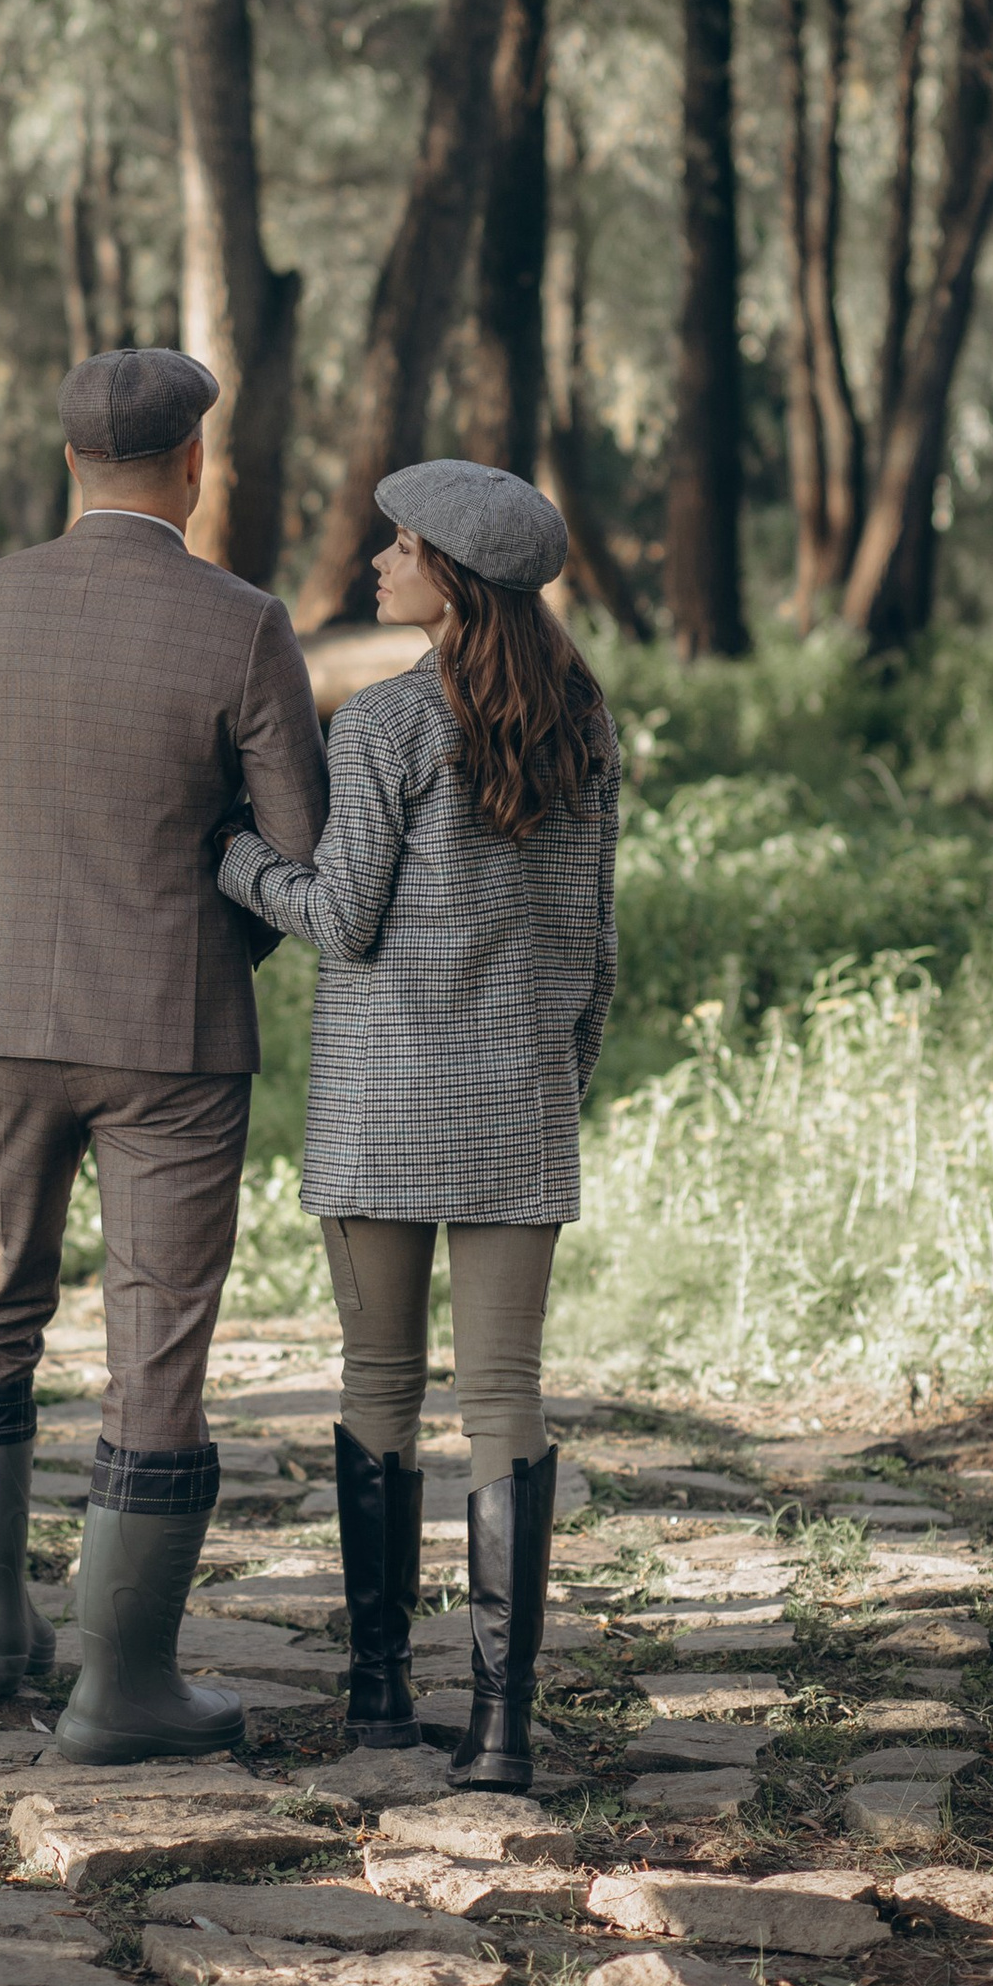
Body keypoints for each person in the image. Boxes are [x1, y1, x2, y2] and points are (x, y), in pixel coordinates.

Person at [0, 347, 328, 1763]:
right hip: (173, 1032)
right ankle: (121, 1686)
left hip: (1, 1019)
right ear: (193, 464)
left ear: (70, 463)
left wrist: (24, 895)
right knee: (156, 1338)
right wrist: (187, 925)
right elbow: (297, 851)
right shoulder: (241, 624)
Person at [216, 458, 619, 1792]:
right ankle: (502, 1730)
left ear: (455, 576)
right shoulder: (585, 723)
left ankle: (379, 1694)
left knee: (379, 1383)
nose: (379, 561)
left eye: (401, 546)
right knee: (505, 1397)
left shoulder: (386, 724)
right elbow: (596, 949)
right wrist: (557, 1082)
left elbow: (341, 916)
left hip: (382, 1103)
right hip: (519, 1100)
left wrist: (235, 856)